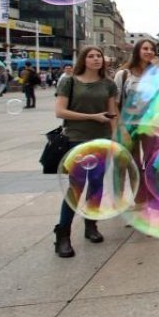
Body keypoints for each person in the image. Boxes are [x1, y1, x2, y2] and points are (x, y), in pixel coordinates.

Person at [52, 46, 118, 258]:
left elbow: (112, 113)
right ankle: (63, 235)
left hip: (102, 139)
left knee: (97, 185)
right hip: (76, 138)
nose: (96, 59)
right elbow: (60, 111)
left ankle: (91, 225)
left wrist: (115, 138)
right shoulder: (70, 81)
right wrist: (92, 117)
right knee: (76, 187)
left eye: (99, 56)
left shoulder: (108, 84)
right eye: (91, 56)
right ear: (84, 59)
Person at [114, 39, 159, 210]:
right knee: (131, 163)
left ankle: (155, 200)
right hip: (129, 124)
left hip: (151, 123)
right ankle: (139, 200)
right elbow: (115, 102)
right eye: (145, 48)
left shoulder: (155, 73)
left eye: (152, 49)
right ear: (137, 51)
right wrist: (119, 127)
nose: (149, 52)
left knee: (153, 161)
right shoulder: (124, 75)